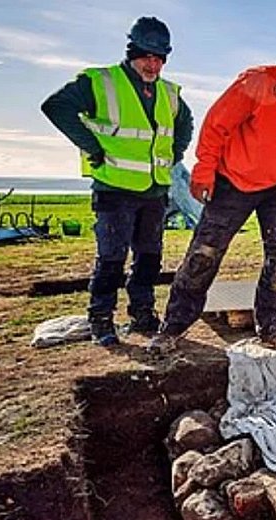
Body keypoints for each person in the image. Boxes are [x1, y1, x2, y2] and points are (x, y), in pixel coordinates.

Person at [146, 44, 276, 354]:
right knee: (205, 252)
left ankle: (274, 329)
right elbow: (216, 124)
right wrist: (204, 171)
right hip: (234, 179)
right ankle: (172, 328)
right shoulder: (259, 82)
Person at [41, 16, 194, 346]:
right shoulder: (102, 81)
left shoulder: (168, 92)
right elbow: (56, 106)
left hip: (154, 190)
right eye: (147, 57)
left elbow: (185, 123)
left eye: (160, 58)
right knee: (111, 259)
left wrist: (175, 153)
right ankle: (101, 320)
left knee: (149, 258)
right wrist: (92, 146)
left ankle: (143, 314)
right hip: (114, 188)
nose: (153, 65)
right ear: (132, 53)